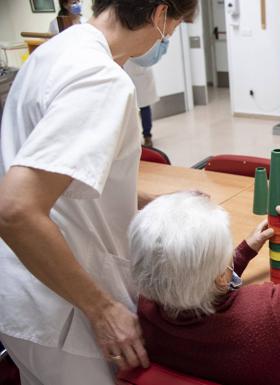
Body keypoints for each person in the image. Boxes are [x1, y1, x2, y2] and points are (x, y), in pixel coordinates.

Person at [0, 1, 197, 384]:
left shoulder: (57, 50)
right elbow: (15, 209)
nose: (168, 38)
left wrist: (146, 204)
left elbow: (61, 176)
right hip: (59, 306)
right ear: (159, 15)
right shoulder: (101, 79)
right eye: (173, 27)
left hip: (22, 290)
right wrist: (102, 308)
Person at [130, 190, 280, 385]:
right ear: (220, 276)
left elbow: (187, 280)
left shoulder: (145, 309)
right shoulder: (269, 311)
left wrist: (242, 252)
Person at [123, 60, 159, 147]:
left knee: (144, 106)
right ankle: (131, 139)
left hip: (142, 73)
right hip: (127, 73)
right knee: (129, 109)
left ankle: (147, 136)